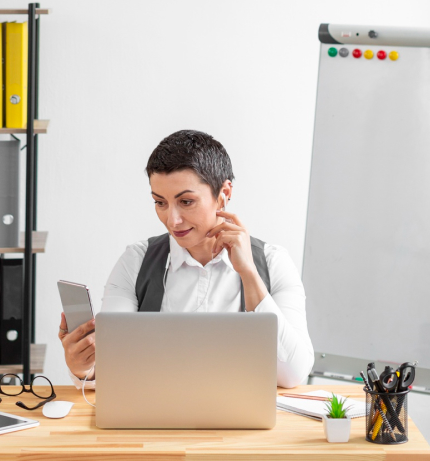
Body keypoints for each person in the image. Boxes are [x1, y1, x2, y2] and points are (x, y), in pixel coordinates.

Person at [59, 129, 314, 389]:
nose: (172, 220)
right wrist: (83, 367)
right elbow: (112, 364)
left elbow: (293, 374)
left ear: (224, 193)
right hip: (155, 411)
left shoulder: (273, 263)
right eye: (160, 202)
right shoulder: (135, 261)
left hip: (239, 414)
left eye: (186, 201)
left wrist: (249, 274)